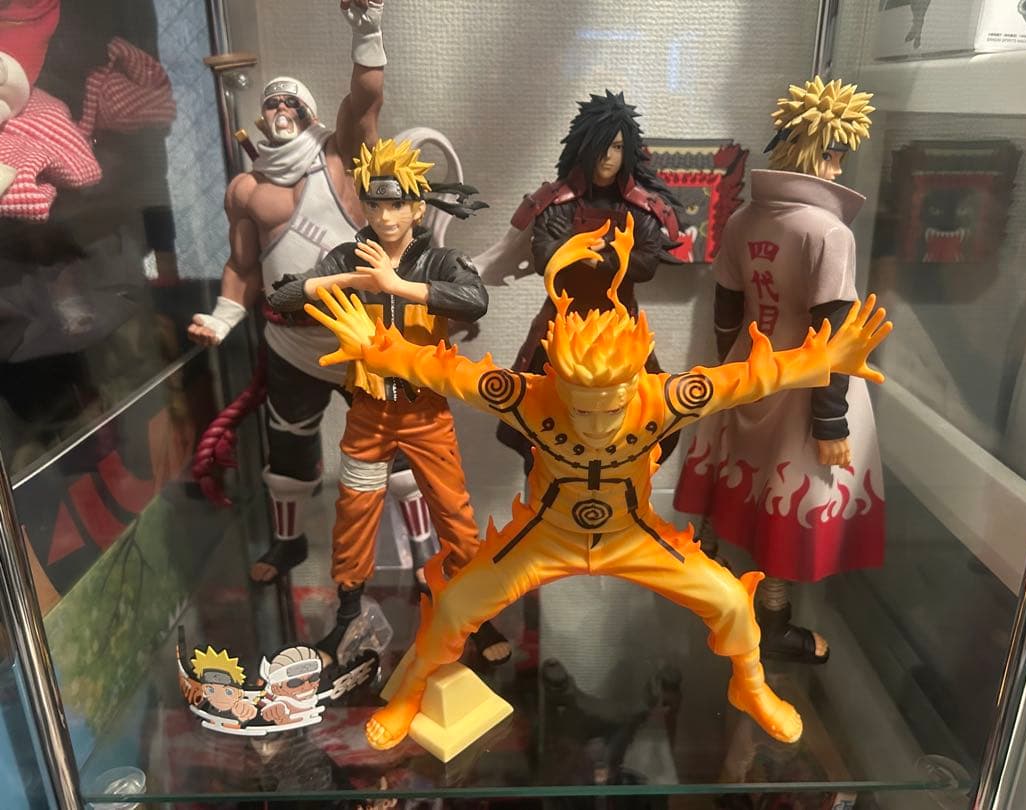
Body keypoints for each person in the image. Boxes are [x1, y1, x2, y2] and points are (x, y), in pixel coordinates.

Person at [303, 213, 892, 751]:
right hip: (543, 539)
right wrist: (375, 349)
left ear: (634, 382)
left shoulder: (665, 397)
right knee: (455, 603)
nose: (593, 422)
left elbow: (750, 377)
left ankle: (751, 684)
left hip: (634, 537)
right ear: (557, 379)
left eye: (608, 407)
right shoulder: (529, 396)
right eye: (580, 405)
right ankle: (410, 691)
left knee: (733, 602)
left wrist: (826, 359)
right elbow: (446, 372)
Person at [185, 1, 437, 584]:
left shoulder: (340, 159)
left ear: (310, 115)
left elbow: (365, 102)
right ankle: (288, 545)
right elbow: (243, 266)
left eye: (291, 104)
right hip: (290, 344)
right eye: (272, 104)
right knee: (290, 447)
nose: (280, 111)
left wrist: (367, 29)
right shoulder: (247, 188)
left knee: (396, 446)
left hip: (363, 337)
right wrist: (223, 317)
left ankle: (425, 548)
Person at [268, 137, 509, 665]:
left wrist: (396, 285)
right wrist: (349, 278)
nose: (385, 216)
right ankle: (347, 615)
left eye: (397, 204)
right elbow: (281, 298)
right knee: (355, 513)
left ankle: (475, 613)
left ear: (418, 207)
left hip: (425, 414)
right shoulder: (346, 256)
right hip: (369, 414)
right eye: (375, 205)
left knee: (453, 513)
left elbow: (475, 300)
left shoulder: (439, 260)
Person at [674, 76, 883, 665]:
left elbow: (725, 307)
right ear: (811, 150)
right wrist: (831, 420)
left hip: (749, 366)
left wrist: (729, 371)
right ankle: (770, 625)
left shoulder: (744, 220)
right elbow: (835, 331)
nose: (838, 168)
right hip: (806, 380)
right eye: (833, 154)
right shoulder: (829, 232)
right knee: (788, 499)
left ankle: (717, 598)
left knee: (740, 482)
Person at [476, 90, 684, 472]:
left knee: (646, 414)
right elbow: (545, 257)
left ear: (628, 150)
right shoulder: (556, 202)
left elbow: (646, 264)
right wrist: (597, 253)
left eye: (617, 147)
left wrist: (593, 256)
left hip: (620, 327)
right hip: (559, 325)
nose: (607, 157)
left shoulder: (642, 208)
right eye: (601, 145)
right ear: (584, 147)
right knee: (537, 422)